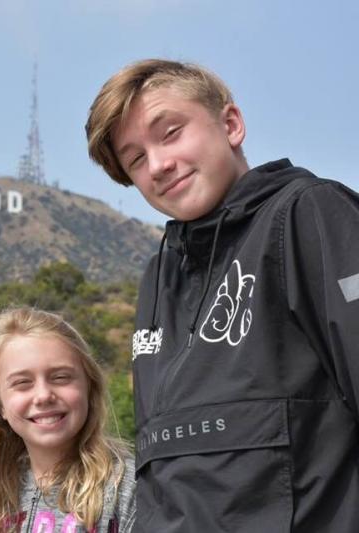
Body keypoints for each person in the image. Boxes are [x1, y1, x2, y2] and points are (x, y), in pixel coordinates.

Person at [85, 59, 359, 532]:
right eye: (135, 159)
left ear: (231, 124)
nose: (158, 165)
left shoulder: (309, 215)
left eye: (170, 132)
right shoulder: (157, 276)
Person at [0, 307, 135, 533]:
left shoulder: (128, 487)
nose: (44, 395)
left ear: (89, 388)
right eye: (22, 383)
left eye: (61, 377)